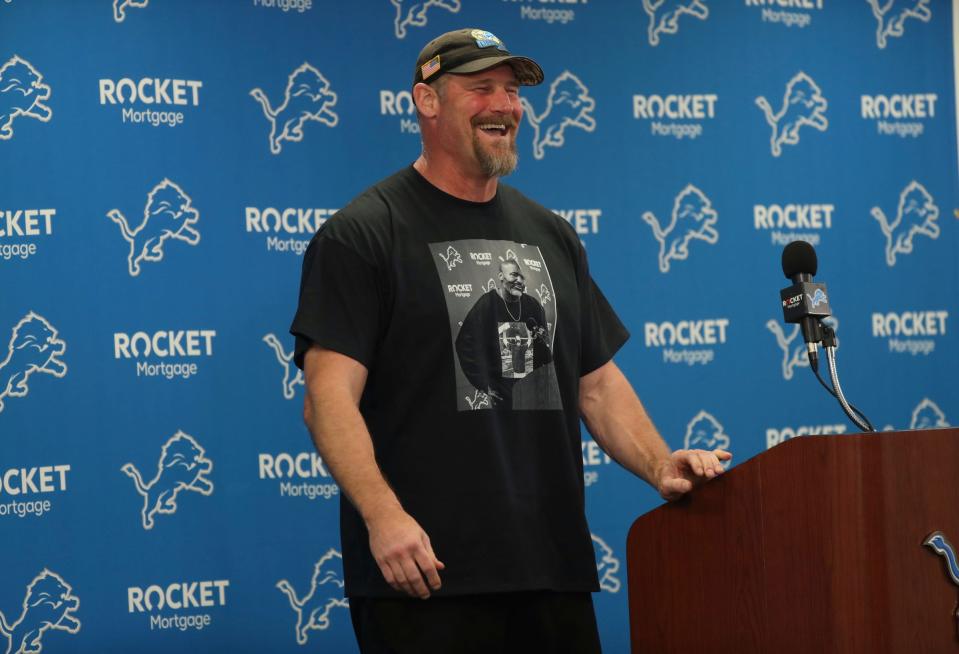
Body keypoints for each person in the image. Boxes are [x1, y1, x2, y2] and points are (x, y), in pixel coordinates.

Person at [290, 28, 732, 654]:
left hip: (552, 575)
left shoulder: (550, 233)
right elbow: (326, 398)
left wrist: (661, 464)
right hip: (424, 579)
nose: (505, 105)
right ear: (427, 101)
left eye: (513, 91)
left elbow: (597, 382)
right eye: (481, 89)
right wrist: (384, 518)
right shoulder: (363, 234)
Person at [455, 257, 556, 410]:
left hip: (533, 394)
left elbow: (545, 352)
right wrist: (483, 384)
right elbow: (465, 343)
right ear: (501, 276)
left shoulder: (533, 305)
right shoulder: (487, 304)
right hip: (504, 398)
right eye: (514, 275)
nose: (519, 281)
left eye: (522, 277)